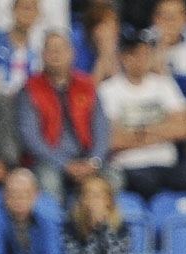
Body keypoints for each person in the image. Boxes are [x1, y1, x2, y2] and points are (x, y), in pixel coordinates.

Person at [98, 26, 186, 199]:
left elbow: (182, 129)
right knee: (147, 187)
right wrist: (161, 132)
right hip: (129, 166)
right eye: (136, 54)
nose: (142, 60)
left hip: (166, 164)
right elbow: (113, 139)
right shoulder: (108, 90)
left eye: (146, 54)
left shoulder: (165, 84)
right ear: (125, 58)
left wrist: (138, 133)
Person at [16, 30, 113, 204]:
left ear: (71, 52)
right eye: (51, 50)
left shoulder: (87, 86)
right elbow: (30, 137)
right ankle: (58, 229)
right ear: (43, 55)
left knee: (114, 178)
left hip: (87, 158)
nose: (56, 54)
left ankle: (101, 229)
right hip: (49, 161)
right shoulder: (30, 89)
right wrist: (63, 164)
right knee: (49, 182)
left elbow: (101, 128)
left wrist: (94, 160)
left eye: (61, 49)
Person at [62, 174, 132, 254]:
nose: (94, 201)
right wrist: (94, 232)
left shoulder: (121, 226)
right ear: (81, 199)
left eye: (98, 195)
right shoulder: (71, 226)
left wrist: (104, 228)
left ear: (109, 200)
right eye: (88, 195)